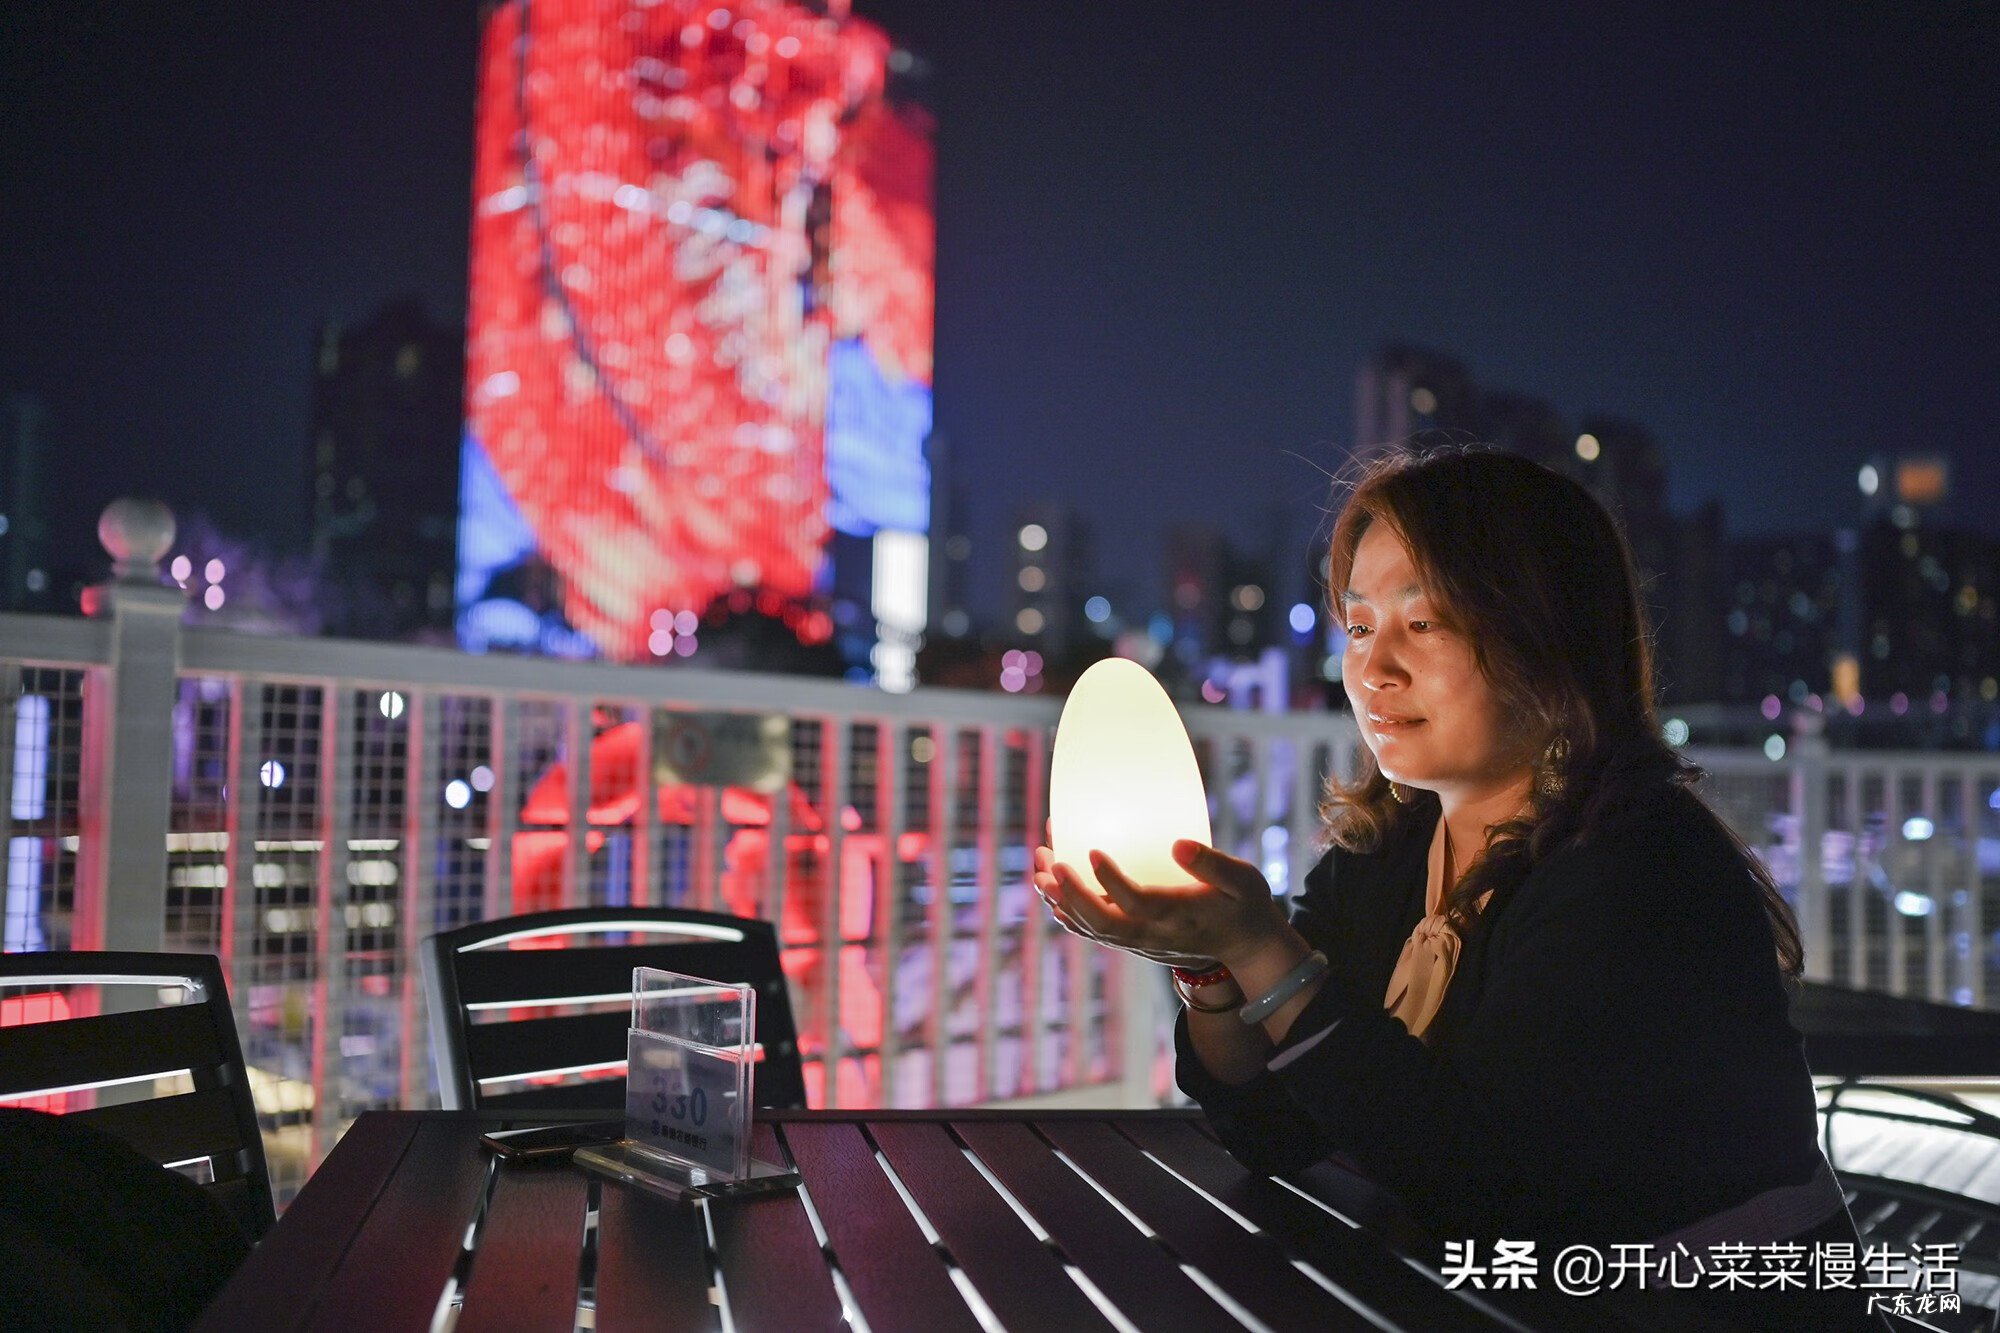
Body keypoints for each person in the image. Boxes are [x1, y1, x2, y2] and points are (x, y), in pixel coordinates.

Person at [1033, 445, 1885, 1330]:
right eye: (1359, 627)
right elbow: (1275, 1131)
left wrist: (1264, 951)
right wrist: (1214, 970)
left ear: (1546, 634)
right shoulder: (1394, 849)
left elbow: (1483, 1183)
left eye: (1426, 621)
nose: (1373, 669)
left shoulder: (1638, 869)